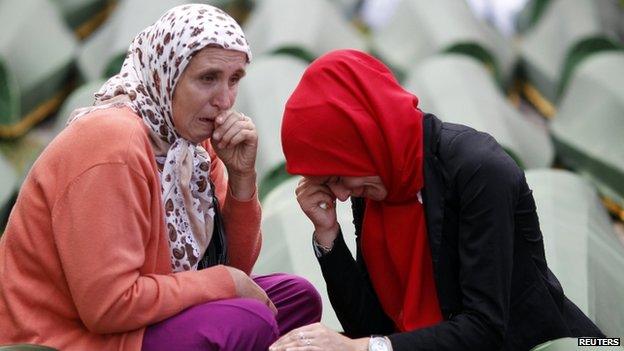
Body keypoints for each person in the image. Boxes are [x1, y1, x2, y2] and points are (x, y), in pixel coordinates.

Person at [0, 4, 321, 351]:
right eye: (208, 78)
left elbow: (234, 267)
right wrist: (224, 282)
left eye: (234, 79)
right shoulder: (111, 143)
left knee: (298, 298)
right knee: (247, 321)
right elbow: (109, 306)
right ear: (162, 76)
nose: (225, 100)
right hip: (68, 337)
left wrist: (242, 179)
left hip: (143, 314)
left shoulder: (190, 147)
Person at [271, 49, 604, 351]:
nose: (340, 195)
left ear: (368, 139)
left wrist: (362, 348)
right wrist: (328, 237)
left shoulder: (477, 170)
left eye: (339, 178)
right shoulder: (379, 180)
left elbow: (484, 328)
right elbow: (370, 327)